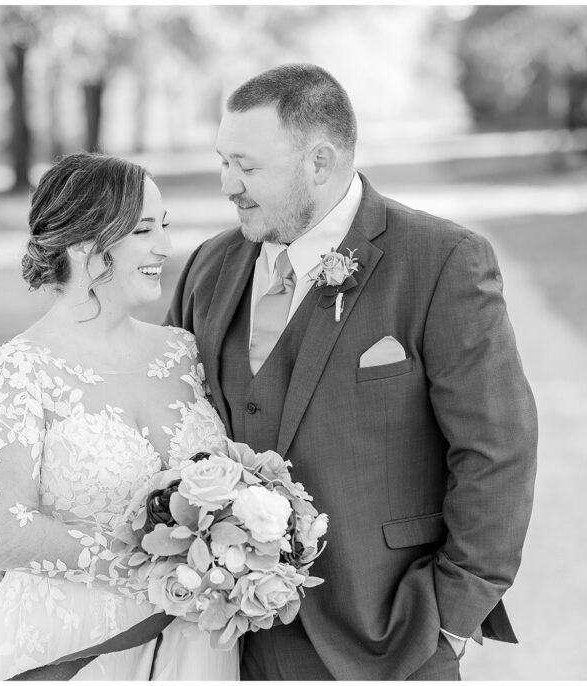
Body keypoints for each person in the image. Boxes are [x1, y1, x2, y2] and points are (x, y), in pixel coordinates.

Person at [166, 63, 538, 680]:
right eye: (223, 161)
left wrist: (451, 612)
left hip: (387, 633)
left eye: (248, 166)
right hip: (225, 646)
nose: (227, 184)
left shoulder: (442, 262)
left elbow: (497, 448)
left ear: (319, 162)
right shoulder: (210, 267)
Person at [0, 152, 239, 680]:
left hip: (195, 645)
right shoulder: (19, 372)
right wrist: (152, 568)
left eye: (165, 227)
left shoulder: (184, 354)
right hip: (74, 643)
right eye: (144, 230)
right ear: (86, 242)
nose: (165, 247)